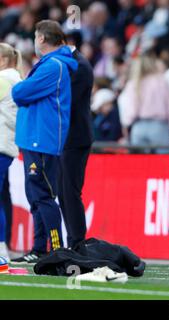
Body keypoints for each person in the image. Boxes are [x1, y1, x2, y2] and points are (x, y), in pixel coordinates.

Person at [11, 20, 78, 264]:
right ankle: (39, 248)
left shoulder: (55, 66)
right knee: (36, 196)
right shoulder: (50, 64)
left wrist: (22, 89)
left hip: (43, 141)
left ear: (41, 39)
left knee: (44, 196)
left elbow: (20, 93)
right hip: (34, 140)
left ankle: (56, 248)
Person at [58, 42, 94, 249]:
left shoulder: (79, 66)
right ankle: (73, 240)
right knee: (64, 192)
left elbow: (66, 100)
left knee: (70, 191)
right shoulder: (75, 63)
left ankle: (78, 241)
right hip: (69, 137)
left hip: (76, 137)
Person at [118, 52, 169, 153]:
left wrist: (126, 125)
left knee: (140, 166)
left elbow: (131, 110)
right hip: (159, 127)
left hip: (139, 127)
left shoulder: (133, 83)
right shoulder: (161, 81)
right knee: (163, 164)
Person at [0, 43, 23, 261]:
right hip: (7, 145)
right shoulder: (16, 79)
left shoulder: (3, 80)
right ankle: (2, 246)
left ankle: (1, 249)